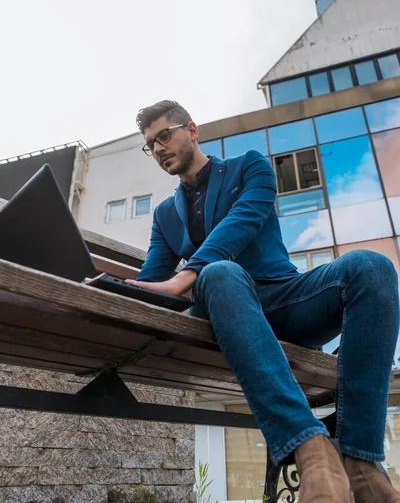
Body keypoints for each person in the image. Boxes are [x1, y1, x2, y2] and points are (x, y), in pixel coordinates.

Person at [128, 99, 400, 503]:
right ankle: (313, 452)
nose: (159, 148)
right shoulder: (165, 214)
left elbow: (243, 222)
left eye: (165, 135)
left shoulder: (250, 166)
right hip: (225, 310)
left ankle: (360, 463)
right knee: (220, 274)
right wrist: (103, 285)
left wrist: (187, 273)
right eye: (151, 145)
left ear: (192, 129)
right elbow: (151, 279)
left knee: (372, 266)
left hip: (286, 299)